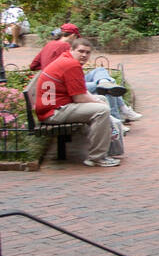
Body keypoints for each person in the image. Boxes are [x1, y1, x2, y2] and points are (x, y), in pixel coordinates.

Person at [33, 38, 120, 167]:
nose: (84, 55)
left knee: (102, 100)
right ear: (71, 50)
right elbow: (79, 98)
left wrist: (99, 101)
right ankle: (96, 158)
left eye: (87, 52)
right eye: (81, 51)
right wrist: (100, 104)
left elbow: (82, 91)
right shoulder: (71, 65)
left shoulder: (66, 59)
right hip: (53, 112)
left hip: (55, 107)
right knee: (102, 110)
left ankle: (107, 147)